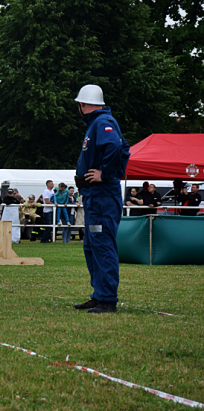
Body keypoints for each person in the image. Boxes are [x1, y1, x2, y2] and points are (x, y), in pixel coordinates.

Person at [73, 84, 130, 314]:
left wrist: (105, 174)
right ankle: (99, 295)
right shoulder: (98, 123)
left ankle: (107, 299)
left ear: (82, 104)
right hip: (95, 197)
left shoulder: (101, 122)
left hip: (102, 197)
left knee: (102, 243)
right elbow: (122, 147)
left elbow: (116, 147)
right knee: (92, 244)